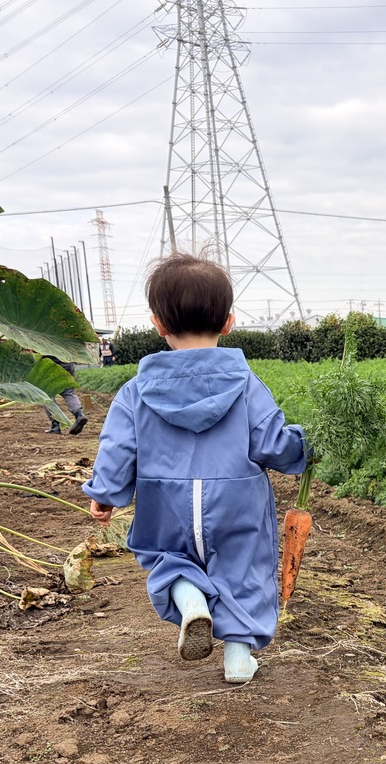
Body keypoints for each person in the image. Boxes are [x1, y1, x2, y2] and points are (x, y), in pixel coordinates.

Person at [81, 254, 308, 683]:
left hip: (164, 502)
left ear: (157, 324)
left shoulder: (135, 391)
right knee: (244, 569)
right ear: (228, 322)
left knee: (167, 559)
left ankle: (192, 603)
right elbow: (271, 443)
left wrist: (106, 493)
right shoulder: (246, 384)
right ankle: (238, 658)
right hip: (237, 501)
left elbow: (118, 447)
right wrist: (306, 445)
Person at [44, 357, 88, 435]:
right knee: (68, 392)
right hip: (68, 363)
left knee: (47, 395)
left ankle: (55, 426)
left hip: (50, 364)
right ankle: (79, 414)